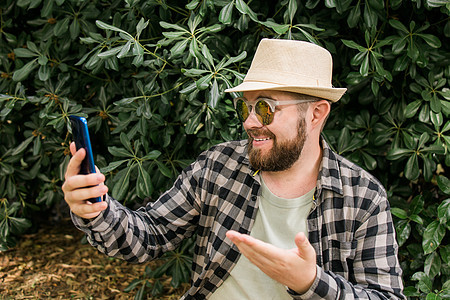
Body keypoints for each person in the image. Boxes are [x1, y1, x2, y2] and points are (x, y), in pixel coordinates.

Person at [62, 39, 405, 299]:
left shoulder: (362, 198)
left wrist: (310, 283)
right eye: (246, 107)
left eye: (267, 109)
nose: (251, 122)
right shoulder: (218, 166)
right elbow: (149, 237)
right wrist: (95, 209)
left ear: (316, 114)